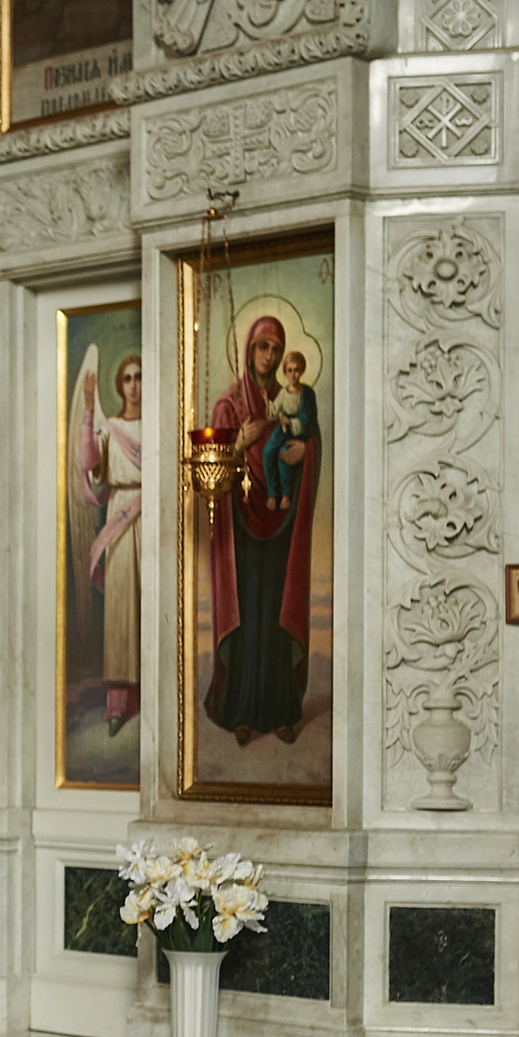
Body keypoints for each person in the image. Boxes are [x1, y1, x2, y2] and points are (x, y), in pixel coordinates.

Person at [207, 314, 319, 747]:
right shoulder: (230, 404)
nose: (269, 357)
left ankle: (282, 710)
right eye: (262, 348)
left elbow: (312, 440)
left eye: (276, 349)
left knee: (275, 613)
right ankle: (242, 711)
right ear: (249, 350)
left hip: (282, 520)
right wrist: (238, 444)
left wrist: (303, 453)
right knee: (249, 613)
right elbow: (212, 467)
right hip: (242, 523)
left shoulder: (293, 396)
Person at [71, 350, 144, 733]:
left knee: (148, 606)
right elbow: (88, 461)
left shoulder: (158, 425)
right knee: (119, 611)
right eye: (128, 378)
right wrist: (87, 408)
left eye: (140, 377)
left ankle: (154, 699)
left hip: (150, 517)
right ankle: (118, 705)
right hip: (119, 512)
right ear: (120, 386)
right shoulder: (111, 427)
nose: (134, 384)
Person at [258, 349, 318, 512]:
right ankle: (272, 494)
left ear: (302, 371)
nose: (293, 375)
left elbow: (306, 418)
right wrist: (266, 402)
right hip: (282, 430)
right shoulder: (283, 393)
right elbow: (273, 412)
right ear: (285, 372)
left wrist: (291, 421)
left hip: (296, 431)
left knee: (283, 456)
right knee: (268, 452)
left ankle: (285, 495)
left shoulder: (306, 394)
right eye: (289, 370)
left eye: (296, 370)